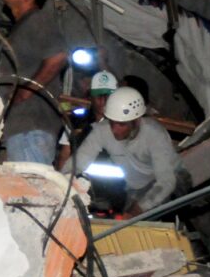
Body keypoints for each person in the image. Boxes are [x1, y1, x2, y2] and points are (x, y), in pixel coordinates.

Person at [64, 87, 189, 215]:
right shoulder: (101, 131)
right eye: (112, 123)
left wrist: (138, 209)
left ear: (136, 121)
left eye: (121, 124)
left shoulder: (154, 134)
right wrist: (58, 181)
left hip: (173, 182)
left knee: (153, 211)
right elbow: (76, 163)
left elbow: (166, 182)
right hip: (136, 188)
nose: (115, 130)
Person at [0, 0, 69, 164]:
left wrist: (27, 90)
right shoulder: (22, 28)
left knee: (29, 191)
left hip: (31, 130)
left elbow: (58, 57)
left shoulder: (37, 21)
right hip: (19, 130)